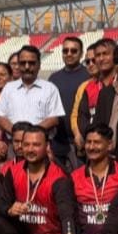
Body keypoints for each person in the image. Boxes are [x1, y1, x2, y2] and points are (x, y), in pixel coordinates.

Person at [0, 124, 76, 234]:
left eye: (36, 145)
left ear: (47, 146)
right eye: (26, 144)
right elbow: (2, 201)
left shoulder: (59, 177)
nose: (30, 149)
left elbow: (67, 216)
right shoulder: (13, 171)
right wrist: (9, 209)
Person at [71, 125, 118, 234]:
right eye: (88, 142)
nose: (91, 147)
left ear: (109, 145)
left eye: (97, 142)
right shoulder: (75, 177)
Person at [0, 44, 64, 135]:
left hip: (40, 142)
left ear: (39, 65)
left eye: (31, 63)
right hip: (14, 141)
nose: (27, 67)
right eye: (23, 63)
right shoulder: (9, 88)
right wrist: (16, 133)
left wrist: (31, 134)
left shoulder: (50, 88)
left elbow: (54, 118)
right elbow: (0, 116)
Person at [48, 36, 89, 170]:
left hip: (81, 142)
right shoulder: (54, 78)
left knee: (79, 179)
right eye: (65, 51)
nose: (69, 54)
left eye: (73, 51)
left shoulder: (88, 76)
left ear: (81, 53)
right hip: (58, 142)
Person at [73, 37, 115, 147]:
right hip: (94, 144)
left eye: (105, 54)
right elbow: (82, 117)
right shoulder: (89, 87)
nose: (101, 58)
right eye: (98, 55)